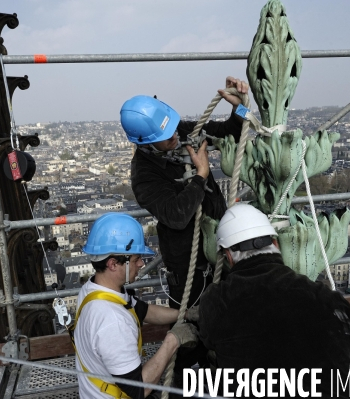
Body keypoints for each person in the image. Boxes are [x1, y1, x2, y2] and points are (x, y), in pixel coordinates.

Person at [120, 76, 248, 393]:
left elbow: (231, 135)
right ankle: (184, 385)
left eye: (175, 129)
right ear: (145, 144)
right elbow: (176, 216)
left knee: (232, 315)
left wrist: (241, 108)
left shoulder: (179, 131)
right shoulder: (144, 177)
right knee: (192, 330)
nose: (176, 138)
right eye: (166, 139)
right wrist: (201, 175)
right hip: (187, 262)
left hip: (219, 241)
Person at [198, 204, 350, 397]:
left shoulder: (217, 301)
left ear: (229, 257)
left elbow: (209, 341)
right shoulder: (333, 301)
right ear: (275, 244)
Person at [74, 213, 199, 399]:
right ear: (113, 264)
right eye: (135, 259)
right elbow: (139, 390)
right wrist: (173, 341)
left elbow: (145, 311)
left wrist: (185, 314)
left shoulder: (94, 291)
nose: (141, 263)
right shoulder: (112, 320)